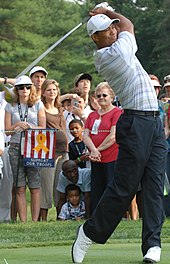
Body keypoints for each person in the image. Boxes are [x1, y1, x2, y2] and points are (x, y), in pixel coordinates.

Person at [71, 3, 167, 264]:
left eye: (111, 27)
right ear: (96, 38)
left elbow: (123, 27)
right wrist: (109, 10)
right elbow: (129, 25)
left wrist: (107, 14)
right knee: (124, 187)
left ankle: (152, 245)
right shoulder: (110, 55)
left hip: (153, 123)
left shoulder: (118, 43)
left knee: (154, 187)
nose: (112, 31)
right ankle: (89, 231)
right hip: (134, 122)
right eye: (105, 30)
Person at [5, 75, 46, 222]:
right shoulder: (10, 105)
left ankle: (34, 221)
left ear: (31, 88)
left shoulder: (38, 104)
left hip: (34, 146)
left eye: (27, 87)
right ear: (16, 89)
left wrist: (30, 126)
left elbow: (43, 127)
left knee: (35, 185)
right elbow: (7, 130)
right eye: (21, 87)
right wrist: (17, 125)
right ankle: (23, 221)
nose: (24, 90)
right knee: (20, 187)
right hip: (15, 147)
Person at [83, 81, 122, 212]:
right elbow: (85, 135)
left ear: (111, 96)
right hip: (96, 158)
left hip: (111, 157)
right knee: (97, 189)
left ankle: (111, 215)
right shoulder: (92, 115)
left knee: (110, 188)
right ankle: (96, 215)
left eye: (104, 95)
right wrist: (93, 151)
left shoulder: (117, 112)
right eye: (98, 96)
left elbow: (113, 135)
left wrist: (96, 150)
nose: (101, 98)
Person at [40, 79, 68, 221]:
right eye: (49, 90)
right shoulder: (41, 108)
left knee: (60, 185)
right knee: (47, 184)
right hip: (49, 151)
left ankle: (60, 216)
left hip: (64, 150)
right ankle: (42, 217)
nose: (52, 92)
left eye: (54, 90)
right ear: (43, 93)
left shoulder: (60, 108)